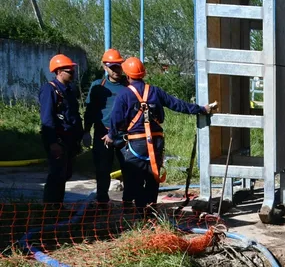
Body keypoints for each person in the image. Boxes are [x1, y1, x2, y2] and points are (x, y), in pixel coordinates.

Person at [109, 57, 216, 209]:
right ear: (143, 74)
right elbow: (177, 104)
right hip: (156, 142)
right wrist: (201, 109)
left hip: (136, 143)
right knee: (153, 176)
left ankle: (140, 212)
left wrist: (112, 136)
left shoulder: (124, 95)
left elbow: (116, 120)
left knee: (136, 177)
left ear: (127, 75)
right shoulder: (154, 91)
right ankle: (151, 210)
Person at [39, 54, 88, 204]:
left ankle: (57, 206)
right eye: (70, 71)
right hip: (59, 140)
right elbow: (47, 119)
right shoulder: (50, 90)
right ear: (59, 71)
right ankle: (50, 208)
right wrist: (53, 142)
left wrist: (81, 135)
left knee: (65, 174)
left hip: (70, 140)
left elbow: (74, 115)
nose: (73, 74)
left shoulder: (69, 90)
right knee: (56, 175)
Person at [84, 49, 129, 203]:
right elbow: (90, 111)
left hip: (124, 135)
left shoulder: (128, 86)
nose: (117, 70)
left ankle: (128, 201)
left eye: (119, 66)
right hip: (102, 134)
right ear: (105, 67)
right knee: (102, 170)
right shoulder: (98, 87)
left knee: (128, 169)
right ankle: (102, 201)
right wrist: (86, 132)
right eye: (113, 67)